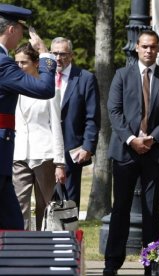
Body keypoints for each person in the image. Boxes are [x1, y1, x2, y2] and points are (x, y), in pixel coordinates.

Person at [105, 29, 159, 276]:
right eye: (145, 46)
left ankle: (151, 263)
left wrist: (153, 138)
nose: (149, 50)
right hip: (126, 152)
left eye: (153, 47)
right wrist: (131, 139)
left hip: (154, 151)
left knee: (151, 209)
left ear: (158, 49)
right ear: (136, 47)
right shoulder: (122, 75)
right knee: (121, 208)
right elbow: (114, 111)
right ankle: (112, 262)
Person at [0, 3, 56, 230]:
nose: (23, 36)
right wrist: (44, 53)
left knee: (13, 222)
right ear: (11, 30)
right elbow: (45, 88)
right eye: (22, 30)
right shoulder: (3, 64)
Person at [13, 43, 65, 231]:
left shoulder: (49, 91)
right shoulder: (14, 88)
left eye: (23, 62)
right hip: (19, 154)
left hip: (44, 153)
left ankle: (46, 246)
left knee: (46, 205)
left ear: (36, 63)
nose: (19, 67)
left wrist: (60, 162)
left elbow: (56, 127)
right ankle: (21, 247)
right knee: (19, 205)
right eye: (16, 62)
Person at [50, 37, 100, 209]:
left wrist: (88, 146)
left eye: (62, 54)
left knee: (69, 205)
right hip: (45, 148)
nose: (58, 58)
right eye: (54, 53)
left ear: (71, 55)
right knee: (47, 201)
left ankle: (68, 236)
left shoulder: (85, 78)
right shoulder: (43, 77)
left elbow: (92, 116)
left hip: (72, 150)